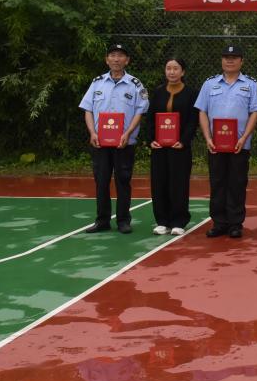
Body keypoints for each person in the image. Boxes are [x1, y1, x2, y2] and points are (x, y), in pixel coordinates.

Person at [78, 42, 149, 234]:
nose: (116, 59)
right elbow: (88, 109)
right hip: (100, 142)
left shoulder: (136, 84)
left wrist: (128, 133)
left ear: (127, 60)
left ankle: (123, 221)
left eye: (120, 56)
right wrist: (92, 133)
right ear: (107, 59)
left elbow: (140, 112)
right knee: (101, 181)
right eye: (113, 55)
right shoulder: (97, 82)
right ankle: (102, 220)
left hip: (124, 143)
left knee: (123, 181)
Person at [194, 44, 257, 239]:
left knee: (237, 183)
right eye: (226, 57)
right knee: (217, 182)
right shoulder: (209, 84)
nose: (229, 61)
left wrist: (244, 137)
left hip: (239, 144)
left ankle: (235, 223)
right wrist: (208, 138)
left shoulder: (250, 84)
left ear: (241, 61)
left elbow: (255, 112)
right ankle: (219, 222)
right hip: (215, 144)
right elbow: (202, 111)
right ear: (221, 60)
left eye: (234, 57)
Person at [144, 56, 197, 236]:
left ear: (183, 72)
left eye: (175, 68)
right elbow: (150, 118)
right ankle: (162, 221)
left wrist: (183, 140)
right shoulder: (158, 92)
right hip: (159, 147)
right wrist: (151, 139)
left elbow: (192, 120)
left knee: (178, 184)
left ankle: (178, 221)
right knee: (159, 183)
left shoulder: (191, 93)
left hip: (180, 147)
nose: (172, 72)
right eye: (168, 68)